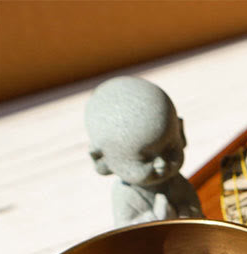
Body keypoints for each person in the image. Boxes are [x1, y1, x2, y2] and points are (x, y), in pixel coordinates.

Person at [85, 76, 203, 226]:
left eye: (170, 149)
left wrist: (186, 214)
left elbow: (195, 211)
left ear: (180, 133)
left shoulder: (178, 184)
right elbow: (126, 233)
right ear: (101, 160)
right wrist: (155, 218)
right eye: (145, 159)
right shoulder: (126, 196)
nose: (161, 164)